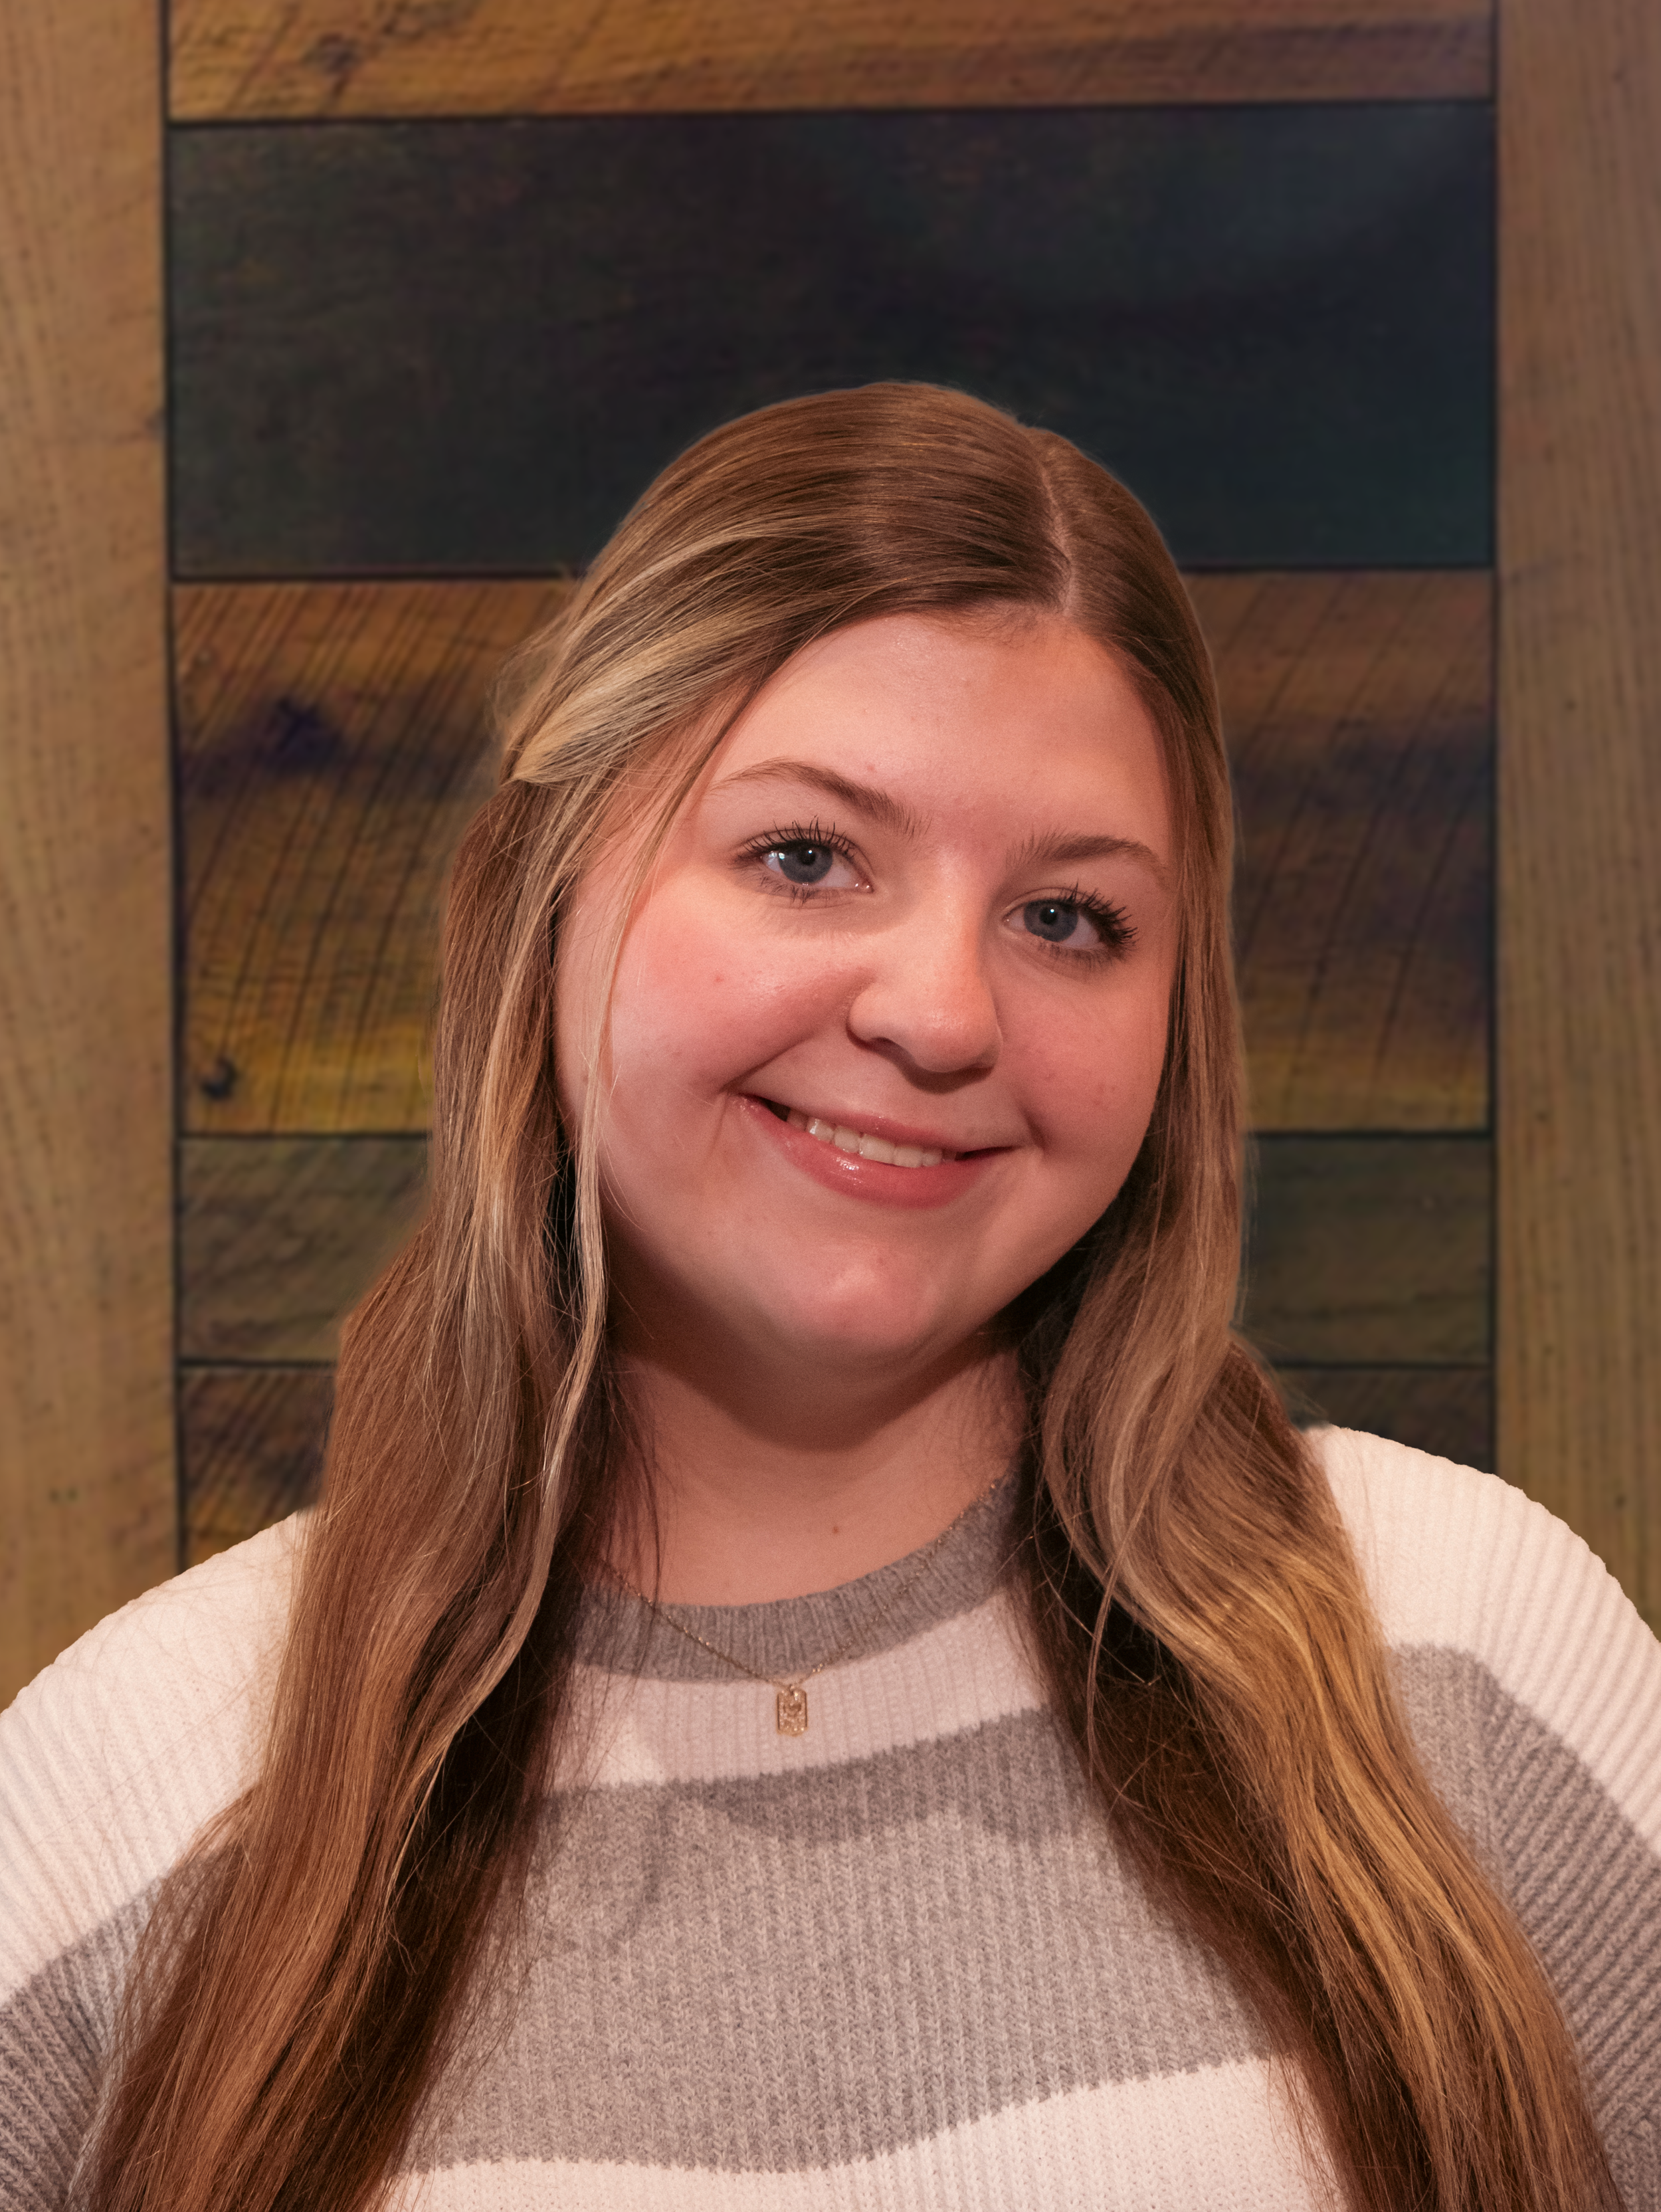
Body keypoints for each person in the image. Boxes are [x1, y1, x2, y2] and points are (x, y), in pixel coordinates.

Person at [2, 383, 1658, 2212]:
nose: (940, 1014)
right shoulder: (134, 1789)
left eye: (1069, 917)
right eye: (804, 857)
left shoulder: (1463, 1656)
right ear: (545, 897)